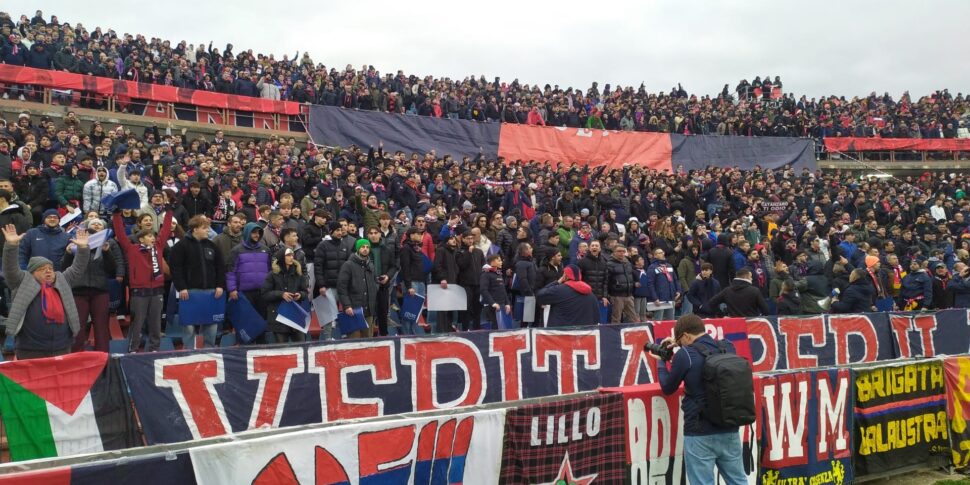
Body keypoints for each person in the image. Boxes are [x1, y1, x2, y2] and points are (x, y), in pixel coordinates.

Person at [649, 314, 748, 485]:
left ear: (686, 336)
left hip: (699, 431)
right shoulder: (728, 347)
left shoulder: (685, 355)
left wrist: (662, 361)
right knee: (739, 481)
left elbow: (667, 387)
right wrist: (678, 342)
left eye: (680, 340)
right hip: (729, 427)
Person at [1, 224, 89, 359]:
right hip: (30, 350)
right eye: (42, 269)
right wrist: (11, 246)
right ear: (32, 273)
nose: (48, 271)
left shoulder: (62, 280)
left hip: (62, 347)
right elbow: (10, 269)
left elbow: (78, 267)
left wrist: (83, 248)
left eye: (50, 268)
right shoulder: (22, 281)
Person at [114, 208, 173, 352]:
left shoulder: (158, 248)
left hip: (157, 290)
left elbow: (165, 230)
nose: (153, 238)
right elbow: (121, 234)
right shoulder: (132, 249)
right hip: (139, 292)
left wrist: (169, 212)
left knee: (155, 324)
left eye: (153, 236)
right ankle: (133, 349)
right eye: (149, 236)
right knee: (137, 323)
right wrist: (116, 215)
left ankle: (154, 349)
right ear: (141, 239)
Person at [65, 219, 124, 353]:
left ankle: (102, 358)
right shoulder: (74, 247)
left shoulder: (105, 246)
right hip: (78, 291)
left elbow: (112, 270)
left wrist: (106, 252)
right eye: (87, 236)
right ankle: (75, 357)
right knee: (77, 327)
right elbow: (64, 269)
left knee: (101, 326)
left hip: (100, 291)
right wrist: (68, 254)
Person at [168, 215, 226, 348]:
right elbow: (175, 268)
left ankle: (209, 351)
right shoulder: (181, 246)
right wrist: (181, 287)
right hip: (189, 292)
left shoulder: (212, 245)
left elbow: (220, 267)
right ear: (194, 229)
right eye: (204, 228)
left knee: (211, 325)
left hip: (212, 292)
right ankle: (189, 353)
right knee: (188, 326)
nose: (208, 231)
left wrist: (220, 285)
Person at [263, 248, 309, 343]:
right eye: (288, 255)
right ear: (281, 258)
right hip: (279, 317)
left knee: (301, 346)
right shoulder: (272, 275)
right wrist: (281, 294)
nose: (291, 257)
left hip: (295, 316)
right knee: (282, 350)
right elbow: (265, 294)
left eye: (292, 255)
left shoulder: (298, 274)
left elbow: (305, 292)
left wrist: (300, 295)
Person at [336, 239, 378, 338]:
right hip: (354, 310)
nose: (365, 249)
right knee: (354, 342)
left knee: (368, 341)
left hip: (369, 311)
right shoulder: (348, 265)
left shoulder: (370, 265)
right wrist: (347, 306)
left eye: (367, 247)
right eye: (363, 247)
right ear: (358, 249)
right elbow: (341, 288)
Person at [704, 268, 769, 317]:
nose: (752, 279)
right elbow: (766, 311)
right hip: (752, 325)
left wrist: (722, 315)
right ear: (746, 277)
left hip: (734, 326)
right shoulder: (755, 291)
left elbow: (711, 303)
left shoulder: (727, 291)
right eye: (751, 277)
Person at [456, 229, 484, 331]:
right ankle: (465, 328)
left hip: (478, 283)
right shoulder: (460, 252)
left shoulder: (479, 252)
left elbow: (483, 266)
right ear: (463, 239)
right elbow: (462, 265)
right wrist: (469, 252)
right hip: (466, 284)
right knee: (466, 307)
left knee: (478, 307)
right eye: (468, 239)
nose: (470, 241)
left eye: (472, 238)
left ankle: (477, 327)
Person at [644, 248, 681, 321]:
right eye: (660, 253)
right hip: (660, 298)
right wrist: (654, 298)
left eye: (662, 252)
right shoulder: (652, 267)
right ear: (655, 255)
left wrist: (678, 291)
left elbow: (675, 279)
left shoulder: (669, 266)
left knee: (671, 320)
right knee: (659, 320)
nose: (663, 254)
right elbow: (650, 284)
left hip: (671, 297)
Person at [607, 245, 638, 323]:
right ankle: (615, 335)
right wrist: (608, 295)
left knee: (634, 319)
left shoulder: (628, 263)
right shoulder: (609, 264)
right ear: (614, 252)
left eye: (623, 251)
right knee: (616, 319)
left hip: (629, 295)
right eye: (619, 251)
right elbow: (606, 281)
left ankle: (635, 335)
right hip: (616, 296)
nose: (621, 253)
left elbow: (632, 276)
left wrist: (634, 284)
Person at [480, 253, 511, 329]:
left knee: (503, 327)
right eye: (499, 260)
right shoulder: (485, 274)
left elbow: (503, 290)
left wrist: (507, 303)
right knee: (495, 327)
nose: (501, 262)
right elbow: (483, 290)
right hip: (492, 306)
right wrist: (493, 303)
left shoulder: (499, 273)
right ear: (492, 262)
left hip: (502, 305)